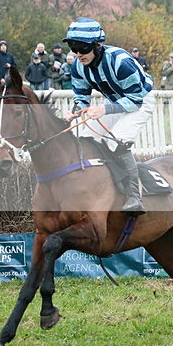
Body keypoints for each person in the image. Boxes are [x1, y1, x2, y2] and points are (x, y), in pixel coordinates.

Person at [62, 17, 154, 215]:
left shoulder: (121, 61)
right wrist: (76, 110)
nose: (78, 54)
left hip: (140, 101)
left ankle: (133, 195)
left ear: (97, 45)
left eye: (83, 49)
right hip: (116, 103)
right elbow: (81, 95)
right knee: (87, 139)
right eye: (73, 48)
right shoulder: (78, 66)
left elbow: (135, 100)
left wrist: (104, 110)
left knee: (117, 140)